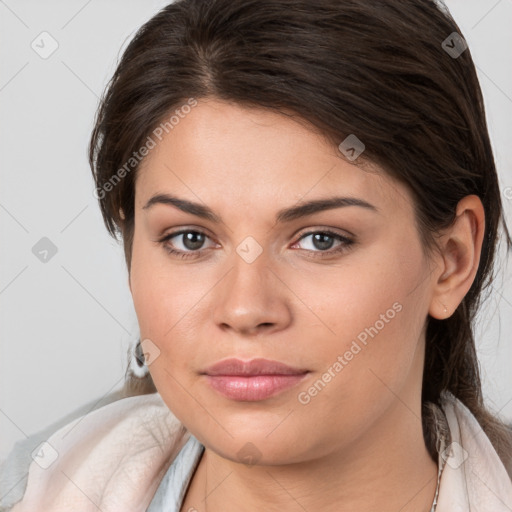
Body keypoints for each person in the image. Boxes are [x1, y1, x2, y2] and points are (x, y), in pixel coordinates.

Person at [2, 0, 512, 510]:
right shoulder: (34, 490)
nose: (245, 309)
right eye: (190, 239)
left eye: (321, 240)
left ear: (452, 259)